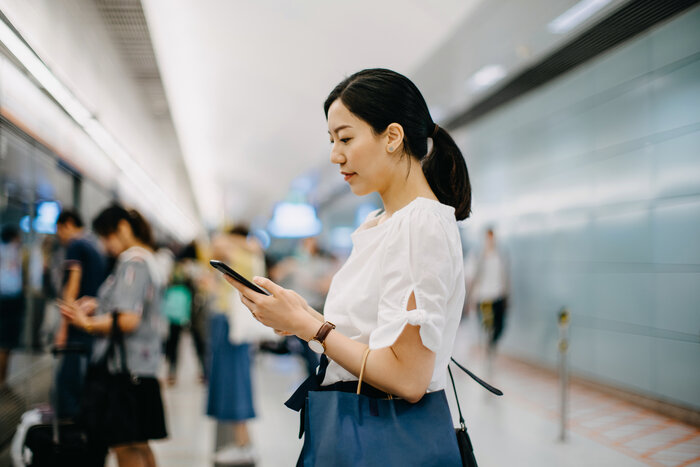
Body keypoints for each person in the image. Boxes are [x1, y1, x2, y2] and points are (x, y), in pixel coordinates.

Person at [224, 68, 471, 464]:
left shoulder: (420, 225)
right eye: (332, 140)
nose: (335, 154)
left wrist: (312, 327)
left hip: (382, 437)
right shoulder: (381, 221)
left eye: (345, 138)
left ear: (392, 136)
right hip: (354, 428)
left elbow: (407, 378)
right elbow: (371, 336)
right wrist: (299, 314)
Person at [60, 205, 166, 467]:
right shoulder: (148, 258)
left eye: (107, 237)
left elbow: (128, 318)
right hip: (141, 365)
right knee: (139, 441)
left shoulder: (133, 261)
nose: (106, 246)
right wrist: (99, 305)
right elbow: (132, 305)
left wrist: (87, 324)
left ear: (123, 229)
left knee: (124, 443)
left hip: (125, 366)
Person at [207, 226, 264, 465]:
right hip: (234, 325)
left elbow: (217, 244)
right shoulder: (252, 254)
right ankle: (243, 442)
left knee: (233, 382)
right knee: (234, 380)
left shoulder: (243, 253)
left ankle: (242, 445)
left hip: (231, 325)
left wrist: (231, 240)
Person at [54, 209, 107, 418]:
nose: (59, 236)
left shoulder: (76, 245)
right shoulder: (95, 246)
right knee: (82, 383)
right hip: (92, 321)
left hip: (78, 324)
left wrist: (63, 328)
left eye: (59, 230)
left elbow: (72, 287)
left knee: (68, 386)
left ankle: (70, 438)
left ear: (67, 224)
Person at [467, 228, 509, 352]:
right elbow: (470, 277)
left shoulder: (500, 255)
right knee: (485, 326)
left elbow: (505, 277)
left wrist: (507, 295)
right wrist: (471, 299)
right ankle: (487, 346)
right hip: (483, 296)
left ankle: (491, 343)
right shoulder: (477, 255)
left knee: (500, 326)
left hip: (498, 295)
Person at [0, 224, 24, 386]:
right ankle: (2, 381)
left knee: (7, 344)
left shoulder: (16, 252)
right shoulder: (7, 252)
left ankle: (3, 381)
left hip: (12, 300)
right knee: (4, 343)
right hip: (5, 301)